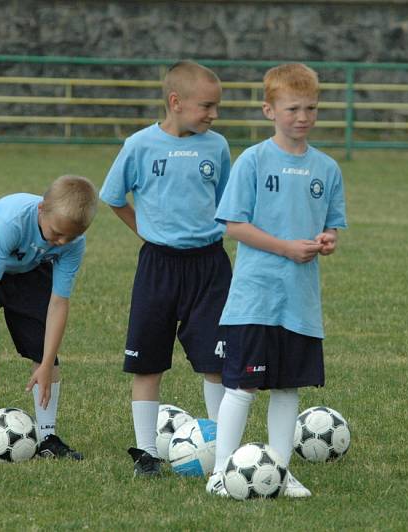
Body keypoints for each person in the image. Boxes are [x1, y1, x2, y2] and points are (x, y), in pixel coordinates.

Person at [205, 63, 347, 498]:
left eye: (311, 108)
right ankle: (222, 472)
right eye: (292, 108)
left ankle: (281, 471)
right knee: (242, 385)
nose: (302, 117)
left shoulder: (327, 168)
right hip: (256, 297)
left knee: (288, 387)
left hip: (299, 301)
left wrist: (326, 239)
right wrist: (285, 248)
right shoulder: (253, 160)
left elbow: (333, 226)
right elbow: (233, 225)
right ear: (269, 110)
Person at [99, 60, 232, 477]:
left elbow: (228, 205)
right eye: (205, 106)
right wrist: (149, 232)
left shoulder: (218, 147)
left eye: (215, 107)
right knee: (147, 362)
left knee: (217, 361)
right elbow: (114, 196)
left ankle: (222, 448)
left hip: (210, 265)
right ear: (175, 102)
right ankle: (145, 453)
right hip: (158, 266)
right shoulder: (139, 145)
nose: (213, 114)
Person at [0, 174, 98, 462]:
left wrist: (45, 362)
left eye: (70, 237)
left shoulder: (71, 243)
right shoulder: (11, 222)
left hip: (28, 268)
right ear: (42, 209)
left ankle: (47, 437)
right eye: (56, 233)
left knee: (45, 352)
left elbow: (58, 303)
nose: (62, 242)